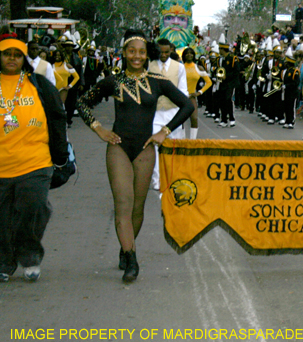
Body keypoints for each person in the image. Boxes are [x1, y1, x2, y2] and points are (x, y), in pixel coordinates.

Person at [77, 30, 194, 282]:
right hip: (118, 147)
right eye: (132, 51)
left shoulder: (157, 81)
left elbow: (188, 105)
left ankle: (124, 246)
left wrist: (165, 131)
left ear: (146, 53)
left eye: (141, 51)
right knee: (123, 204)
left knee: (138, 208)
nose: (137, 56)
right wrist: (99, 129)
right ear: (124, 53)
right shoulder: (113, 80)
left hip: (144, 149)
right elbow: (82, 103)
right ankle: (131, 258)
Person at [0, 37, 69, 282]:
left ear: (24, 59)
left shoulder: (37, 84)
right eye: (6, 54)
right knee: (3, 218)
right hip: (2, 166)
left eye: (16, 55)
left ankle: (30, 257)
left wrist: (60, 155)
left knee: (34, 209)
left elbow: (58, 116)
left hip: (36, 162)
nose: (11, 58)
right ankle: (5, 262)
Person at [148, 38, 188, 190]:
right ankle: (157, 179)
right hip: (155, 113)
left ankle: (173, 177)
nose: (163, 55)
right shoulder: (149, 66)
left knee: (173, 146)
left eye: (166, 52)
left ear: (171, 50)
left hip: (173, 112)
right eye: (161, 52)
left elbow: (183, 91)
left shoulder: (179, 67)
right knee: (156, 145)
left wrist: (181, 112)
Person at [182, 47, 212, 140]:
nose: (189, 55)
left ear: (194, 55)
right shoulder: (180, 67)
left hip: (191, 96)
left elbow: (209, 82)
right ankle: (181, 140)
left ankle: (192, 141)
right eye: (187, 53)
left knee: (194, 118)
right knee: (180, 120)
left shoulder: (198, 67)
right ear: (184, 55)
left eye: (191, 53)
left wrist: (199, 92)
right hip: (180, 97)